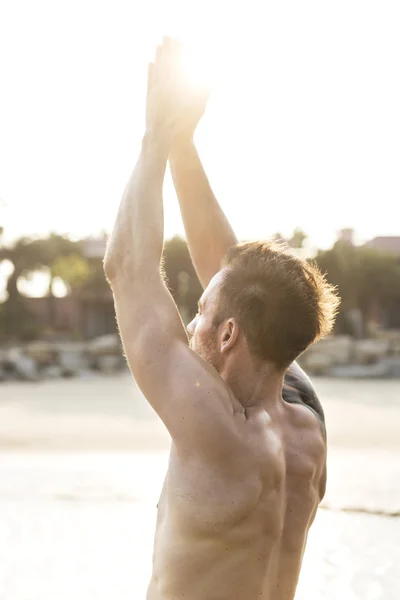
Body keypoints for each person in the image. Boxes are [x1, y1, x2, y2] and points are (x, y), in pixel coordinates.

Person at [104, 37, 340, 600]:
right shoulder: (307, 429)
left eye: (201, 312)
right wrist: (185, 148)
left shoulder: (212, 430)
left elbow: (128, 266)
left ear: (229, 334)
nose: (191, 322)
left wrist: (156, 137)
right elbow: (237, 280)